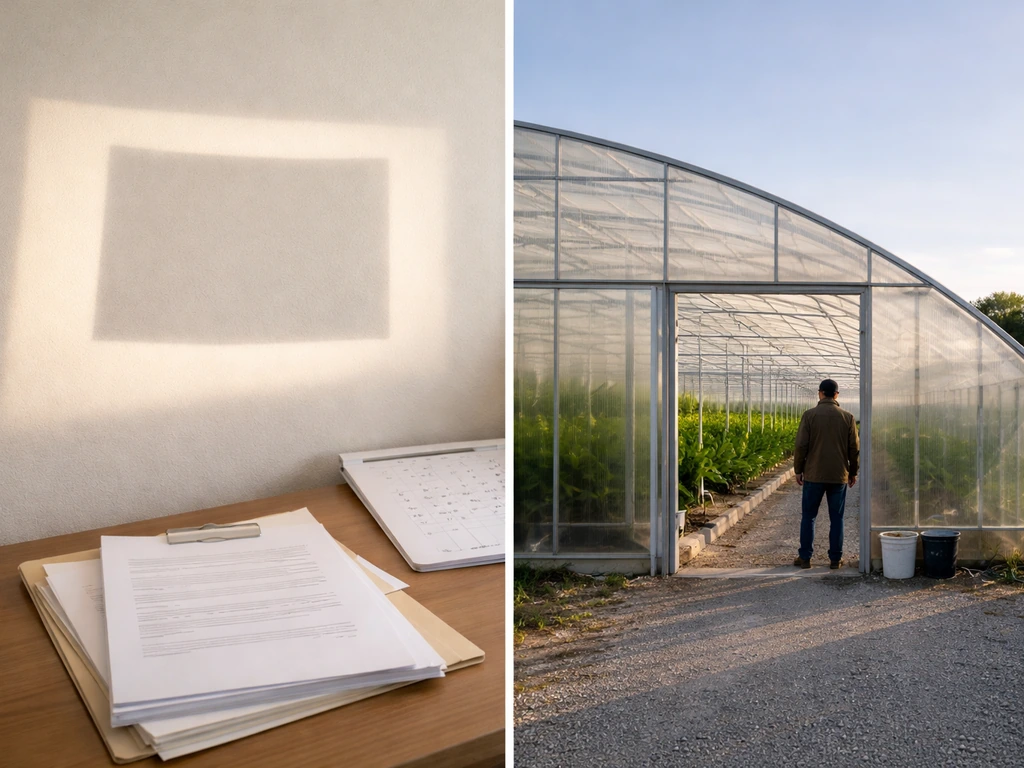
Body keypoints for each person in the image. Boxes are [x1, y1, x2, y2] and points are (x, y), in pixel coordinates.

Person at [792, 378, 859, 570]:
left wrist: (798, 470)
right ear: (837, 395)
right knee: (837, 518)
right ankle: (835, 559)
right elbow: (854, 449)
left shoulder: (809, 415)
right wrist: (853, 472)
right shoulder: (848, 417)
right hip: (838, 475)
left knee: (809, 516)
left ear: (820, 393)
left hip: (813, 475)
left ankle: (805, 558)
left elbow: (801, 445)